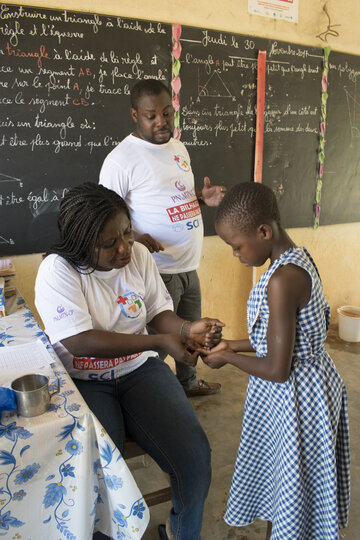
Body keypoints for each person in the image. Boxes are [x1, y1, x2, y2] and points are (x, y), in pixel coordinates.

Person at [35, 182, 225, 540]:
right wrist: (159, 340)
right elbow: (79, 341)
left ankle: (183, 533)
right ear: (79, 242)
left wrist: (186, 328)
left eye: (126, 233)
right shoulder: (57, 270)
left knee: (194, 457)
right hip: (83, 381)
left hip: (139, 369)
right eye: (109, 243)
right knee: (103, 472)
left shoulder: (138, 256)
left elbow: (158, 312)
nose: (124, 248)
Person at [201, 182, 350, 539]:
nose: (235, 254)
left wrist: (227, 360)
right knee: (285, 483)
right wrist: (233, 346)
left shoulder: (282, 280)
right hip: (308, 384)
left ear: (263, 231)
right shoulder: (294, 258)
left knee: (294, 487)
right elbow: (277, 340)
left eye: (236, 246)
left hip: (298, 398)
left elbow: (277, 368)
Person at [99, 78, 226, 397]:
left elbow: (173, 197)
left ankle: (188, 383)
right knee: (160, 340)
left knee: (194, 333)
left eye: (167, 113)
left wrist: (201, 197)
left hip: (188, 264)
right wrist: (135, 236)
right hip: (155, 270)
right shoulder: (121, 160)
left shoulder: (178, 147)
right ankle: (146, 395)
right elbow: (103, 216)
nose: (161, 122)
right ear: (134, 114)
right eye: (151, 115)